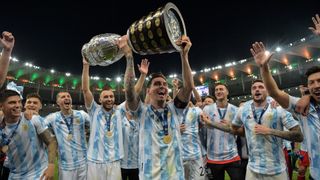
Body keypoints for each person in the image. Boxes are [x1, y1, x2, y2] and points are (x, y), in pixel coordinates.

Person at [121, 34, 194, 179]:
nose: (162, 86)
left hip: (175, 175)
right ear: (148, 91)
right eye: (157, 84)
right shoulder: (141, 111)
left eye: (164, 84)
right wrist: (129, 57)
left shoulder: (175, 108)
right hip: (150, 176)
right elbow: (129, 92)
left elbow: (188, 87)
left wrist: (184, 55)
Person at [231, 77, 303, 179]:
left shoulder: (278, 108)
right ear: (251, 92)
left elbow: (299, 136)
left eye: (261, 87)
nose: (257, 89)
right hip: (252, 170)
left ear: (267, 91)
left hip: (276, 170)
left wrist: (270, 131)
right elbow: (234, 127)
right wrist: (247, 131)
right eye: (254, 88)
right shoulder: (243, 109)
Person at [0, 89, 57, 179]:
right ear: (1, 106)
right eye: (12, 102)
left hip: (38, 173)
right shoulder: (2, 125)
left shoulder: (33, 119)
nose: (18, 105)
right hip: (14, 175)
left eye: (19, 102)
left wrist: (51, 166)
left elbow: (51, 142)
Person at [82, 57, 123, 180]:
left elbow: (134, 94)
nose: (109, 99)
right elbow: (85, 90)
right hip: (95, 161)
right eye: (106, 97)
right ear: (100, 100)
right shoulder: (94, 110)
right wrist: (86, 66)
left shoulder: (119, 111)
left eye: (111, 96)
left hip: (114, 160)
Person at [44, 91, 90, 180]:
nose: (66, 98)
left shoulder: (82, 114)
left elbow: (94, 127)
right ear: (57, 102)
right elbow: (39, 127)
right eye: (62, 97)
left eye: (68, 96)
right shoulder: (52, 118)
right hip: (65, 166)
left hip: (84, 164)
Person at [201, 83, 241, 180]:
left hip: (232, 155)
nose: (218, 91)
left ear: (227, 92)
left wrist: (231, 126)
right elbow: (205, 128)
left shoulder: (235, 110)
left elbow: (240, 131)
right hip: (213, 157)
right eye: (216, 90)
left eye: (221, 89)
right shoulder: (207, 109)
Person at [120, 58, 149, 180]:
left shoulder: (140, 111)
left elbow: (134, 93)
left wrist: (142, 75)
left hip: (138, 162)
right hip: (121, 162)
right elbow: (132, 92)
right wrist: (142, 75)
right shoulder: (119, 110)